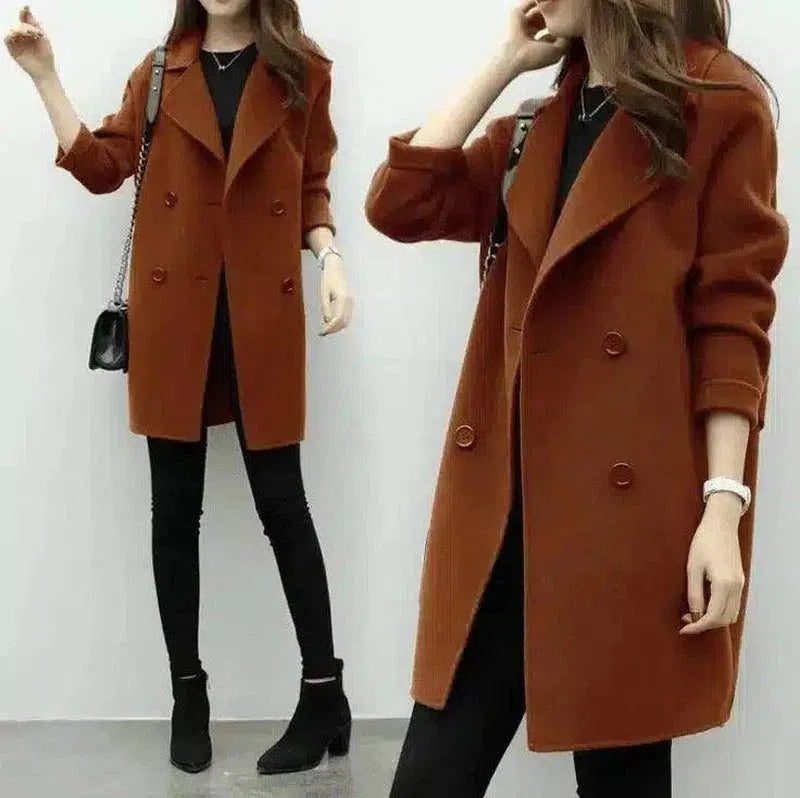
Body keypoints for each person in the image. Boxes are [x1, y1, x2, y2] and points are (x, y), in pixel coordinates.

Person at [365, 0, 789, 795]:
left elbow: (732, 319)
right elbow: (399, 204)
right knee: (430, 776)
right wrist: (504, 63)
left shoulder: (719, 102)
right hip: (502, 515)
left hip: (625, 523)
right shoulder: (541, 122)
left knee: (622, 777)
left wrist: (723, 509)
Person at [5, 0, 354, 776]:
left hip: (261, 315)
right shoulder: (161, 72)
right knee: (174, 512)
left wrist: (330, 259)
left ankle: (324, 692)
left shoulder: (302, 70)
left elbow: (313, 182)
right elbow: (104, 168)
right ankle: (187, 694)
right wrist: (45, 77)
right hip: (175, 319)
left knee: (284, 506)